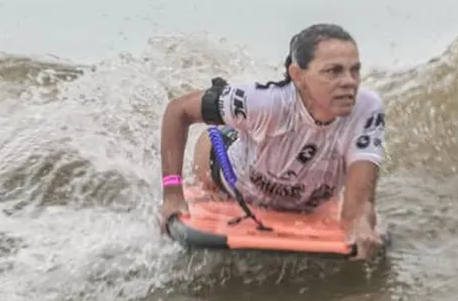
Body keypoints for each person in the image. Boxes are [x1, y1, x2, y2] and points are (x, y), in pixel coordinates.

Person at [158, 23, 387, 259]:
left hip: (301, 193)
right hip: (228, 170)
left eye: (355, 71)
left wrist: (361, 222)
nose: (349, 82)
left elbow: (359, 206)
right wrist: (173, 193)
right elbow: (179, 110)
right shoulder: (266, 102)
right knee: (214, 145)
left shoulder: (366, 109)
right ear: (298, 75)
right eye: (334, 71)